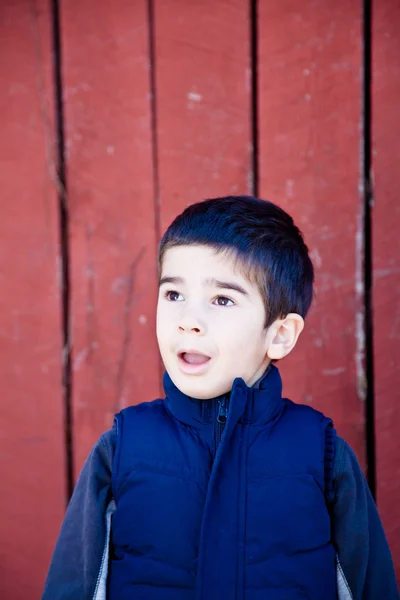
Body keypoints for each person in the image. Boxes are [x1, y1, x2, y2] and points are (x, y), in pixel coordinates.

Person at [42, 196, 399, 600]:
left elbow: (372, 587)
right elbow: (73, 587)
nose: (188, 321)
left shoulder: (322, 453)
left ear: (279, 334)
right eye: (173, 294)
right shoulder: (123, 446)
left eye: (222, 300)